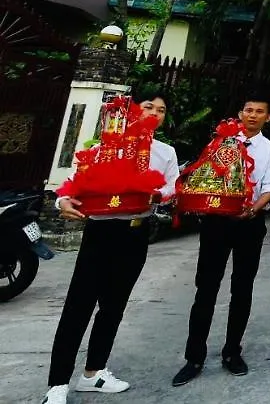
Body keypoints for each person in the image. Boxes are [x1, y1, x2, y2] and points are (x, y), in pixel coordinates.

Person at [45, 95, 179, 404]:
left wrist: (159, 195)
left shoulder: (164, 152)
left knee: (114, 306)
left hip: (135, 232)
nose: (155, 114)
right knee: (78, 306)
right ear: (134, 110)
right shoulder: (104, 147)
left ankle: (93, 373)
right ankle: (57, 384)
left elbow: (172, 187)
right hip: (100, 231)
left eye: (161, 110)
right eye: (149, 107)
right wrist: (62, 201)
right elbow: (71, 185)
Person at [173, 94, 270, 386]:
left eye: (260, 111)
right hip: (216, 223)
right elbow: (203, 176)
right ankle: (193, 357)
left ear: (267, 117)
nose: (253, 115)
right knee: (205, 289)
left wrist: (253, 210)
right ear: (240, 112)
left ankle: (232, 352)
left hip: (250, 223)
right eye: (249, 109)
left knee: (242, 288)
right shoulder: (220, 142)